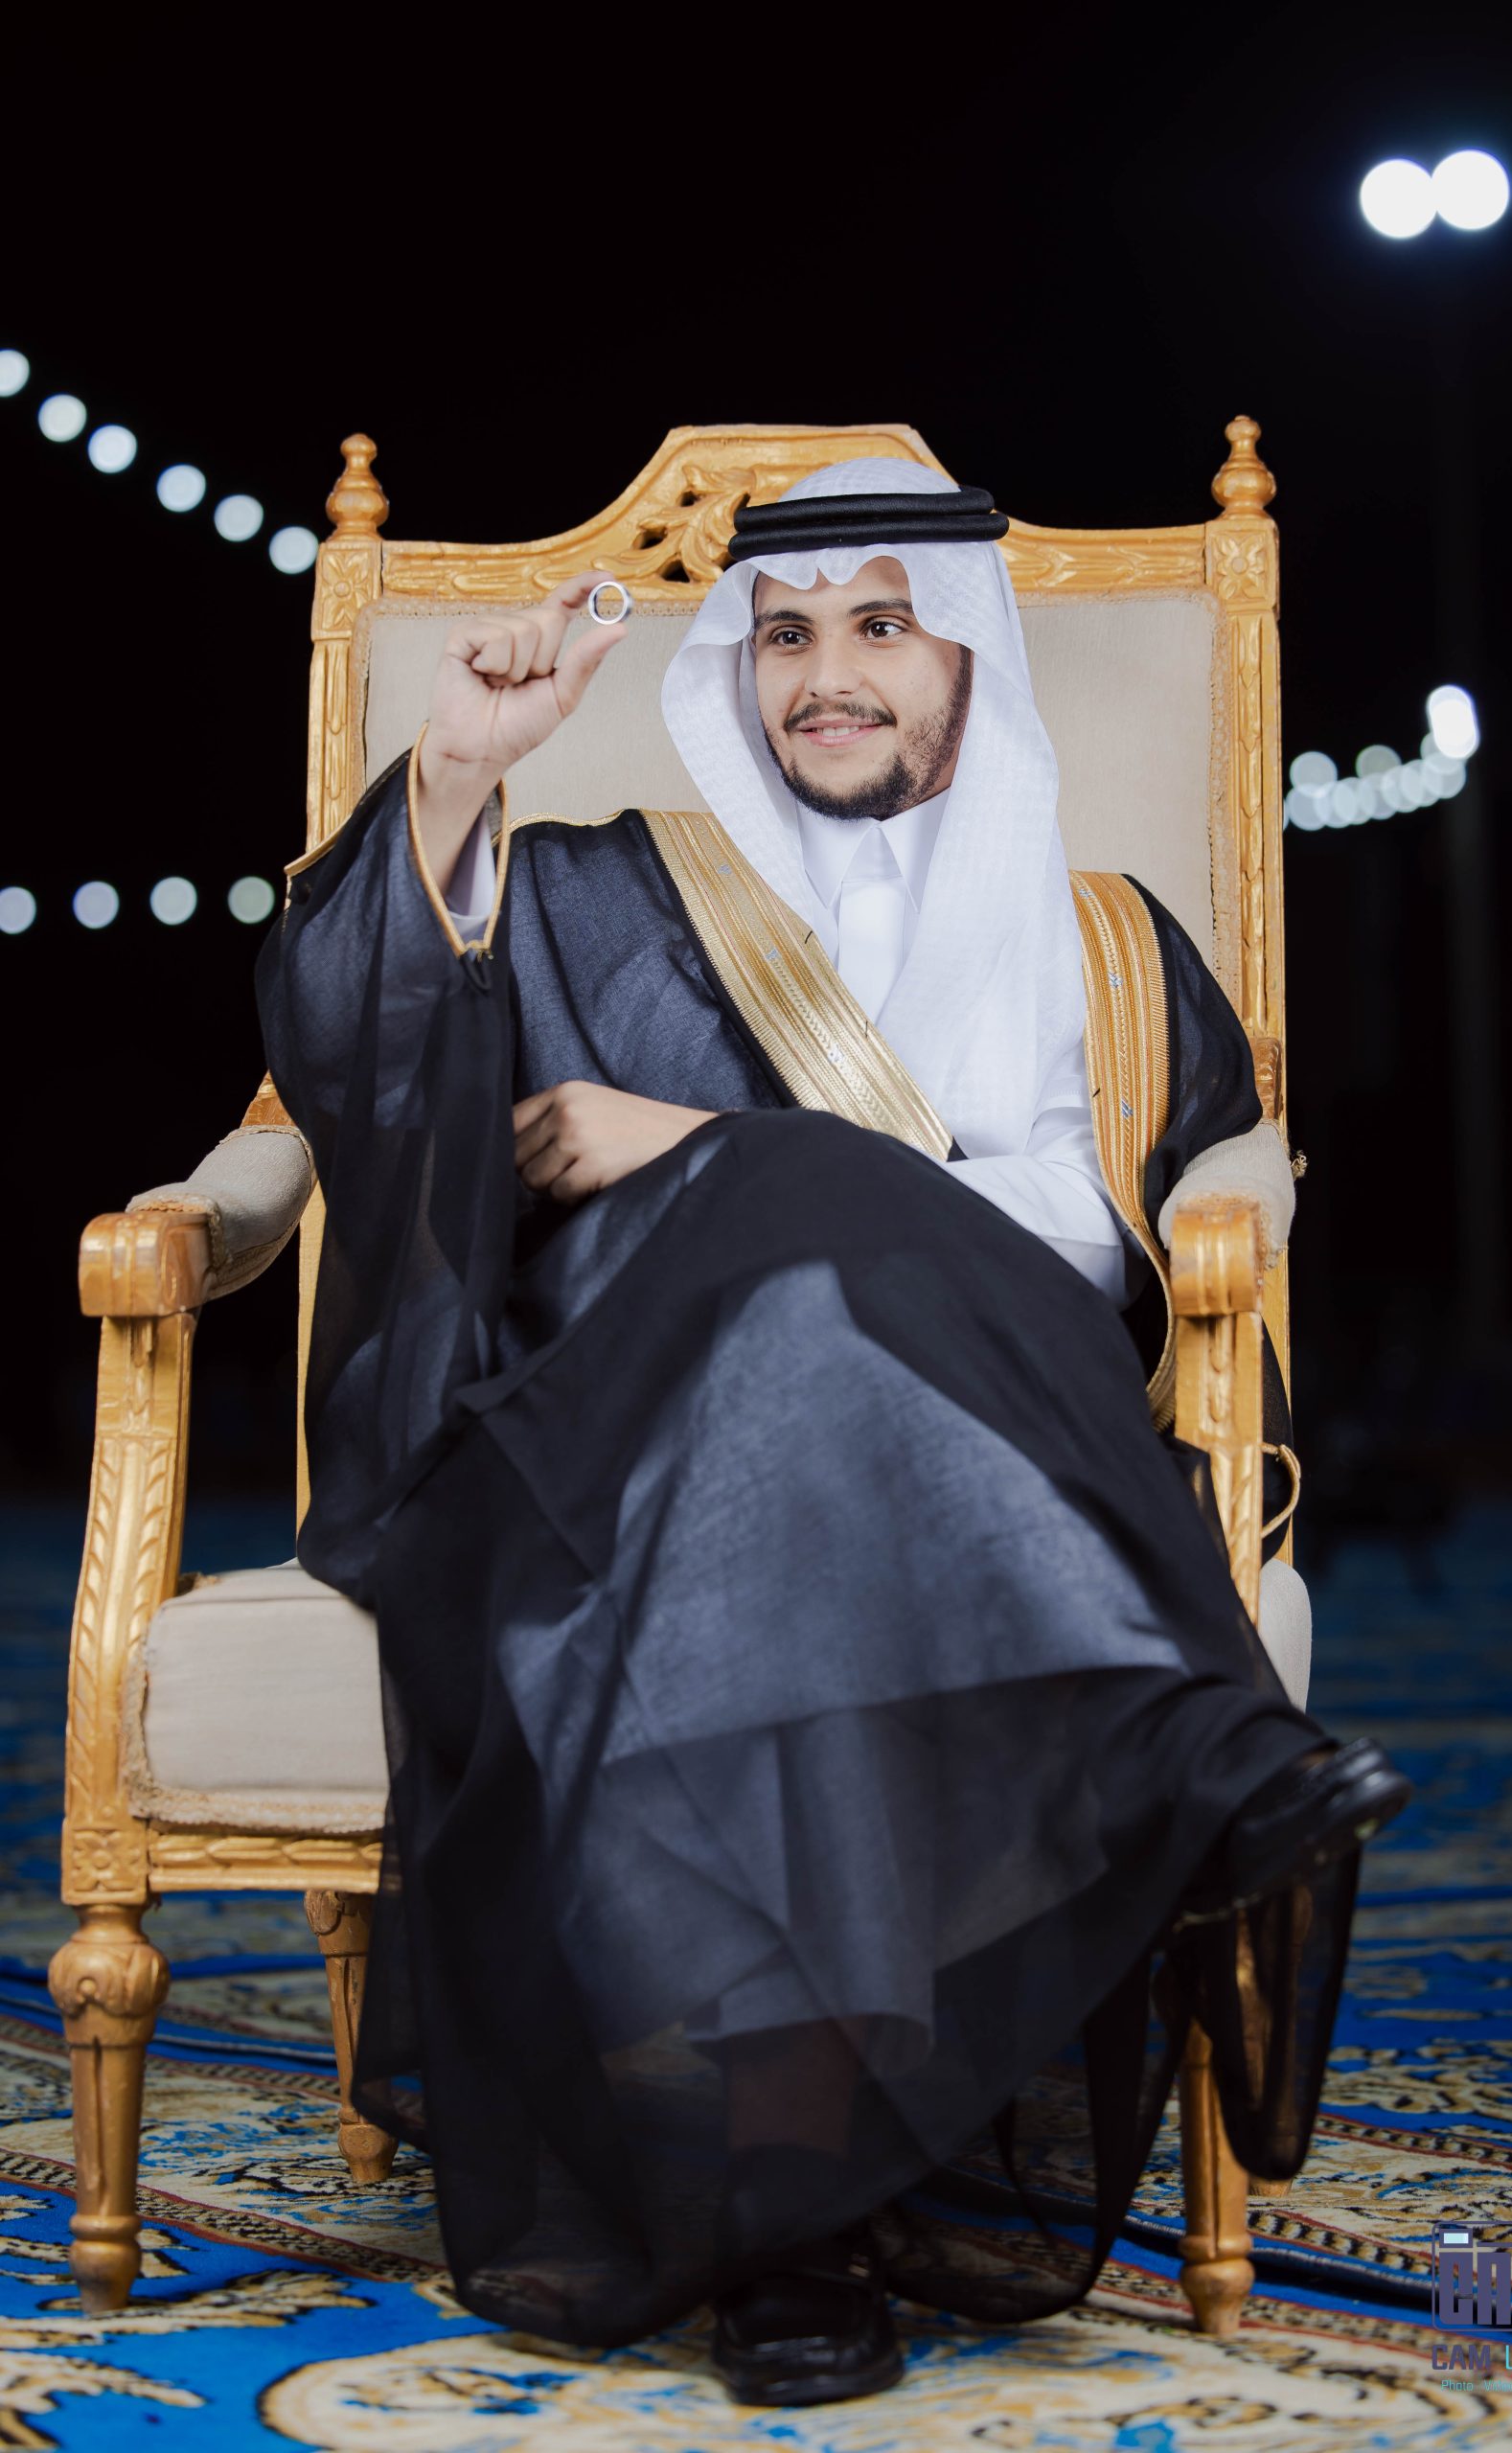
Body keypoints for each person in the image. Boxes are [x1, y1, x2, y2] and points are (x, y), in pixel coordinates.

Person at [258, 459, 1407, 2409]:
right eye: (783, 635)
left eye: (879, 625)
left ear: (967, 660)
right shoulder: (594, 896)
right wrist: (454, 771)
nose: (825, 676)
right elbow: (353, 1057)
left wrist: (716, 1146)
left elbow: (1098, 1238)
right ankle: (1193, 1751)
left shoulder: (1103, 944)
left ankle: (795, 2214)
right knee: (777, 1381)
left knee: (814, 1332)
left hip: (975, 1446)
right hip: (623, 1457)